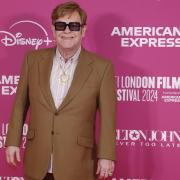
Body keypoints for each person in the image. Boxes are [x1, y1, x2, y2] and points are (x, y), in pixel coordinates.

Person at [5, 1, 117, 180]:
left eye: (73, 25)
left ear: (83, 30)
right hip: (37, 161)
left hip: (78, 163)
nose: (67, 31)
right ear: (53, 29)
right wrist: (12, 141)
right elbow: (20, 105)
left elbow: (108, 116)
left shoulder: (102, 67)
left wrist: (107, 154)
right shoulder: (32, 60)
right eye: (60, 25)